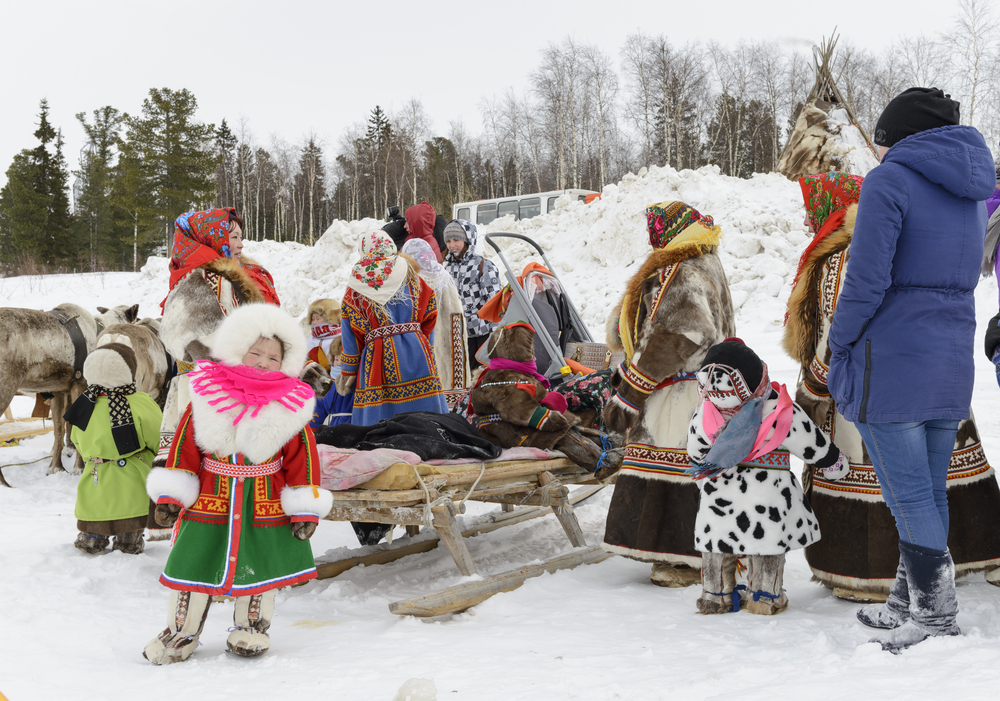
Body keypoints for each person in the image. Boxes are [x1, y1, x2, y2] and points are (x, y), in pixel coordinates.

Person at [827, 87, 997, 653]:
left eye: (881, 138)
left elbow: (867, 280)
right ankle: (908, 597)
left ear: (899, 136)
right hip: (950, 357)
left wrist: (838, 340)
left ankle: (935, 613)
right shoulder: (973, 189)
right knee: (928, 490)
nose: (876, 151)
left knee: (909, 495)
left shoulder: (889, 182)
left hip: (892, 359)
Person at [784, 172, 1000, 603]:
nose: (811, 219)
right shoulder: (908, 239)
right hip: (936, 378)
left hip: (867, 386)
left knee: (899, 489)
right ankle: (948, 570)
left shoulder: (841, 256)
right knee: (933, 484)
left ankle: (886, 581)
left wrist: (813, 389)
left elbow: (836, 327)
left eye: (814, 210)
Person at [143, 303, 332, 664]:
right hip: (209, 501)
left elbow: (302, 461)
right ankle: (180, 632)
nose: (263, 361)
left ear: (286, 362)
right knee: (192, 565)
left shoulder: (293, 403)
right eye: (255, 352)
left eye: (273, 357)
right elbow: (184, 449)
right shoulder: (206, 393)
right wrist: (171, 495)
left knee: (261, 567)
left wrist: (304, 508)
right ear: (236, 350)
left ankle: (252, 629)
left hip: (265, 503)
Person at [600, 201, 735, 587]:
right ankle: (691, 552)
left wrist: (633, 389)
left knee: (674, 469)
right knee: (690, 469)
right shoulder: (705, 261)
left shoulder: (683, 268)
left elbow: (685, 333)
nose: (651, 236)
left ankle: (683, 558)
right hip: (701, 389)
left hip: (680, 393)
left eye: (655, 228)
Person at [686, 339, 848, 615]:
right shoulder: (779, 410)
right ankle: (764, 597)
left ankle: (715, 595)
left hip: (719, 496)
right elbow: (810, 443)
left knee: (716, 546)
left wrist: (705, 482)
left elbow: (695, 453)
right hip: (768, 498)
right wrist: (834, 463)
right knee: (767, 544)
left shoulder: (706, 413)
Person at [336, 230, 447, 423]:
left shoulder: (356, 286)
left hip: (376, 358)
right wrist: (427, 349)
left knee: (379, 422)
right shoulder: (414, 278)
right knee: (427, 418)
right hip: (417, 351)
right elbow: (430, 316)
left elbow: (351, 337)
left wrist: (348, 372)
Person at [65, 343, 163, 555]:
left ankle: (92, 539)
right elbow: (158, 439)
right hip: (132, 481)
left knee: (95, 515)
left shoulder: (84, 404)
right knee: (131, 523)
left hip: (95, 478)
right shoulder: (140, 402)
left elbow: (76, 440)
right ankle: (129, 541)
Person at [402, 237, 471, 390]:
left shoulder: (412, 277)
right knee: (448, 364)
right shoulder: (443, 274)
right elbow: (456, 307)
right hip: (449, 328)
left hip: (424, 329)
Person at [442, 219, 502, 370]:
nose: (451, 245)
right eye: (448, 241)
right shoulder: (447, 268)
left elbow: (495, 301)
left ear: (468, 239)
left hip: (482, 332)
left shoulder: (483, 266)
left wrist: (496, 332)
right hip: (458, 333)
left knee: (482, 375)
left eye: (456, 240)